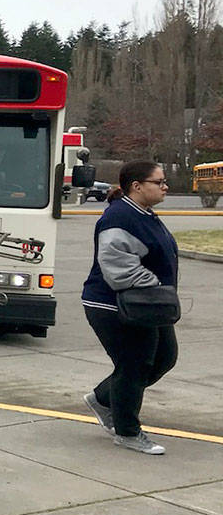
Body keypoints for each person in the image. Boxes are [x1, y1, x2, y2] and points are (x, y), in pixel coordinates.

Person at [80, 160, 178, 455]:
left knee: (164, 357)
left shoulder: (143, 213)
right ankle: (127, 432)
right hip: (117, 305)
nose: (165, 187)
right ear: (137, 186)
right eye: (158, 182)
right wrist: (157, 285)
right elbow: (119, 269)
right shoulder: (120, 217)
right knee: (135, 364)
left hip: (150, 303)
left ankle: (103, 399)